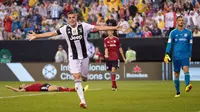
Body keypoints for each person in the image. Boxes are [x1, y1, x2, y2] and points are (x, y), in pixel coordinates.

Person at [28, 11, 122, 108]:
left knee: (84, 77)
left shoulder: (84, 26)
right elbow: (51, 33)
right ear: (68, 19)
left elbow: (99, 28)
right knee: (77, 78)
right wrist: (37, 36)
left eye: (73, 17)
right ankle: (82, 101)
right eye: (70, 18)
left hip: (84, 57)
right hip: (73, 57)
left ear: (76, 18)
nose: (71, 19)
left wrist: (114, 28)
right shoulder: (65, 29)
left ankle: (85, 77)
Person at [164, 16, 193, 98]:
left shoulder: (188, 33)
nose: (181, 22)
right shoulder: (173, 33)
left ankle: (188, 85)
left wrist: (190, 55)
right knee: (176, 74)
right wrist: (167, 54)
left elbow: (190, 45)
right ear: (177, 22)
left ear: (184, 22)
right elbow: (169, 44)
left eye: (182, 20)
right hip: (176, 56)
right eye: (179, 20)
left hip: (185, 55)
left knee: (186, 69)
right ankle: (177, 92)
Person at [6, 82, 89, 92]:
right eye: (21, 85)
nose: (23, 84)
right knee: (57, 88)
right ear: (21, 87)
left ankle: (76, 89)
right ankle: (77, 90)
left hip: (44, 85)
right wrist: (9, 87)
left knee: (59, 87)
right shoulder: (25, 89)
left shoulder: (29, 84)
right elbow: (18, 90)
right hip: (42, 88)